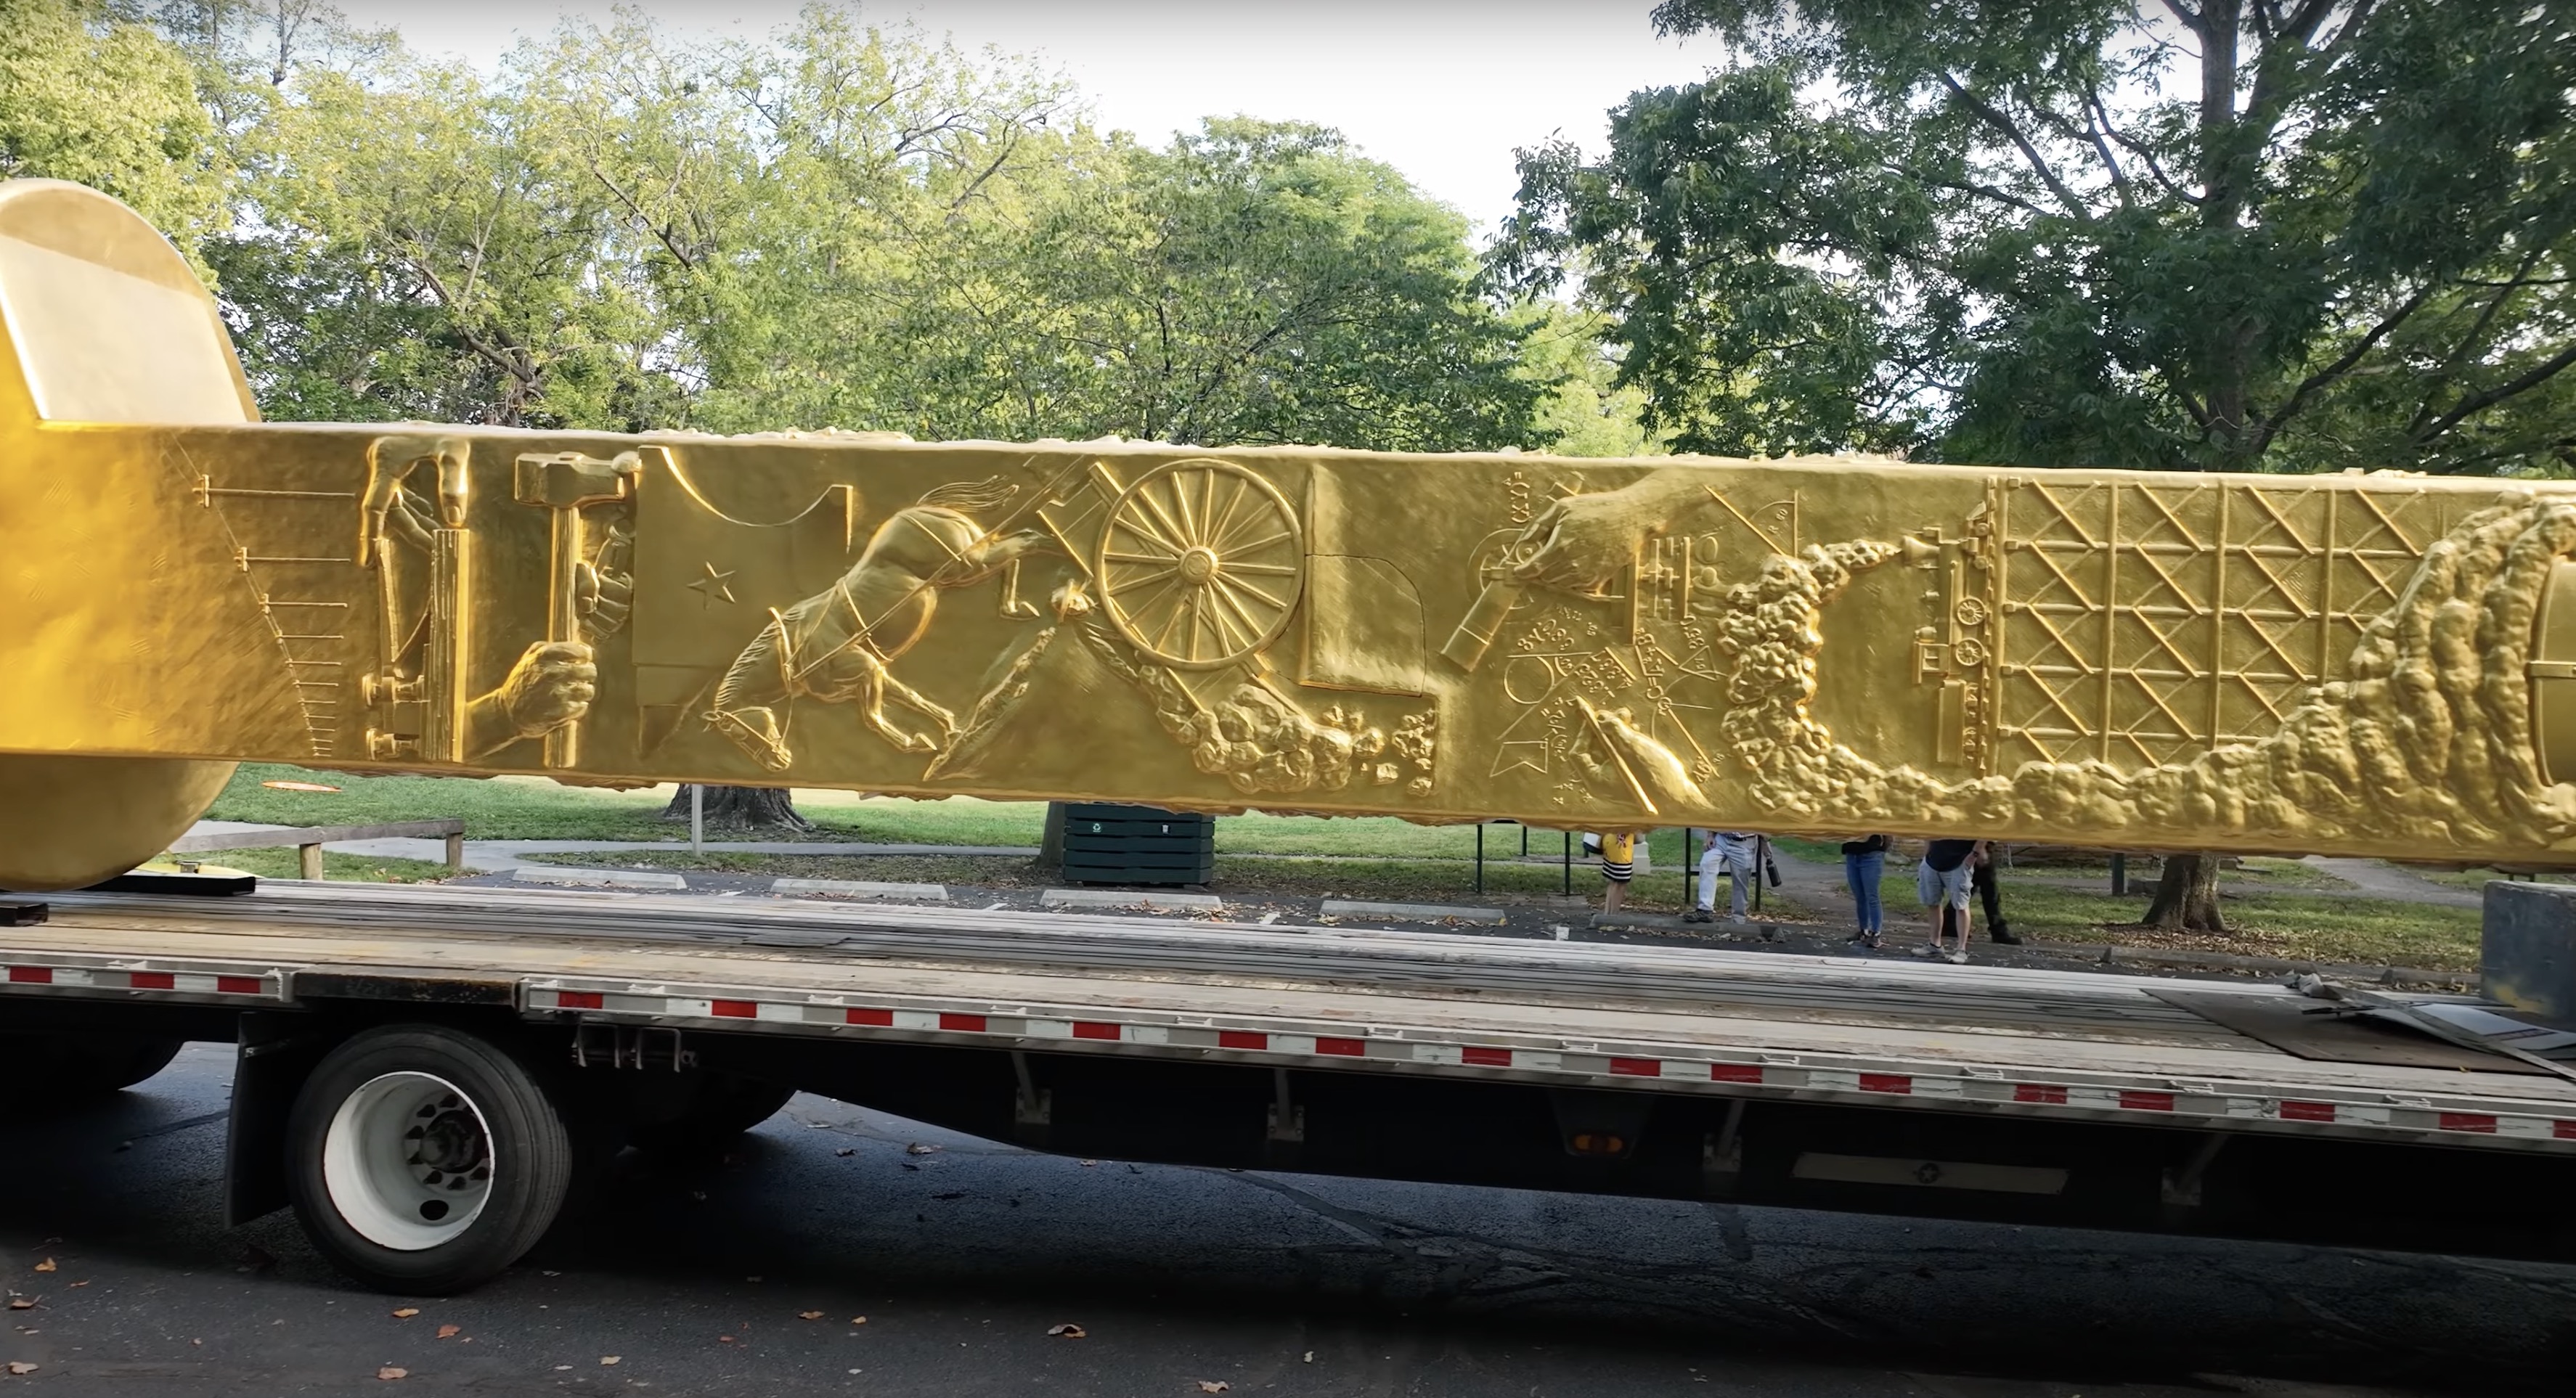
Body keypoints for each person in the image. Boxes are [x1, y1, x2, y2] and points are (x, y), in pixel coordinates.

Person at [1916, 837, 1985, 962]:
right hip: (1932, 860)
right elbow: (1928, 829)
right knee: (1932, 902)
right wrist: (1926, 855)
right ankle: (1934, 944)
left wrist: (1974, 854)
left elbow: (1985, 832)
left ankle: (1961, 950)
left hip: (1959, 862)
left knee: (1961, 906)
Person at [1685, 831, 1759, 924]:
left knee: (1741, 881)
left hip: (1744, 841)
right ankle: (1705, 910)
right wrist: (1710, 835)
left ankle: (1738, 918)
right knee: (1707, 864)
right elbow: (1716, 816)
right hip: (1721, 838)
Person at [1841, 833, 1889, 949]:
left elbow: (1888, 831)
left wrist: (1882, 849)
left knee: (1872, 896)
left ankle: (1876, 933)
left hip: (1871, 855)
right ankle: (1864, 931)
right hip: (1852, 854)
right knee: (1860, 896)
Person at [1971, 845, 2021, 945]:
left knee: (1970, 885)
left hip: (1971, 847)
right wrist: (1981, 849)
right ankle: (1998, 931)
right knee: (1989, 890)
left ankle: (1950, 921)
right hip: (1977, 847)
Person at [1597, 831, 1637, 914]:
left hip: (1610, 840)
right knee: (1620, 883)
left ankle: (1608, 914)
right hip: (1622, 845)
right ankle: (1613, 915)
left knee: (1613, 882)